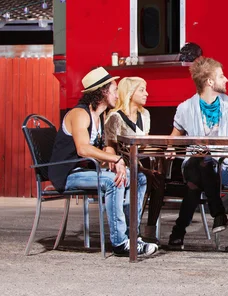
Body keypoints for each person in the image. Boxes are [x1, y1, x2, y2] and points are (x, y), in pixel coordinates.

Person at [48, 67, 158, 257]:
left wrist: (114, 159)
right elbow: (83, 148)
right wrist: (115, 159)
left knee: (138, 178)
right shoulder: (79, 114)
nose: (117, 94)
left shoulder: (101, 116)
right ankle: (120, 243)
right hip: (67, 174)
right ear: (103, 92)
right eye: (114, 90)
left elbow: (105, 147)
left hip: (86, 171)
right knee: (111, 182)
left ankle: (133, 235)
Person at [167, 57, 228, 249]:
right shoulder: (185, 108)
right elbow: (174, 137)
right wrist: (172, 147)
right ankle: (218, 213)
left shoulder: (227, 103)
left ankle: (179, 232)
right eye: (221, 76)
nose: (226, 80)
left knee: (194, 183)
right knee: (200, 162)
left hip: (222, 166)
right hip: (193, 166)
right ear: (209, 82)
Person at [104, 77, 164, 243]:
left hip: (136, 162)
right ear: (130, 93)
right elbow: (110, 146)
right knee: (145, 178)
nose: (147, 93)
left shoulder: (144, 115)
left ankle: (148, 231)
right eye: (142, 90)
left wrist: (164, 149)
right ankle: (132, 232)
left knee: (158, 178)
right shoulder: (115, 117)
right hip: (119, 165)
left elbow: (143, 145)